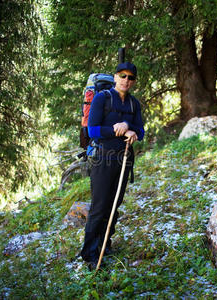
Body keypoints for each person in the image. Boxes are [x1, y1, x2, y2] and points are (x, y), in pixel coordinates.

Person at [80, 62, 144, 269]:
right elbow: (93, 131)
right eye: (123, 76)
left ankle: (105, 244)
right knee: (99, 207)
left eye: (130, 77)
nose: (126, 80)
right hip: (103, 158)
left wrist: (128, 126)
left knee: (114, 206)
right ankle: (89, 254)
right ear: (115, 77)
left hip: (124, 160)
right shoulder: (102, 98)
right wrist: (118, 130)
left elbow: (140, 132)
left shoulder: (134, 104)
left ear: (133, 81)